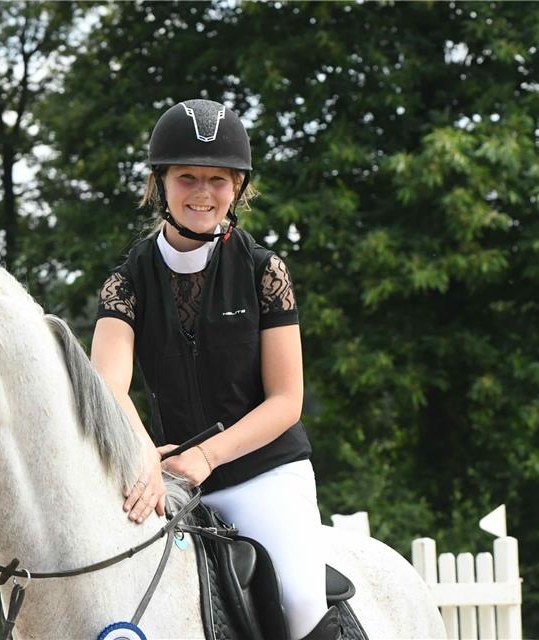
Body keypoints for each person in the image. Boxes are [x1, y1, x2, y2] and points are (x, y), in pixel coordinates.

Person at [90, 99, 339, 640]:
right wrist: (147, 459)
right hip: (168, 484)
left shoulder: (264, 272)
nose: (203, 193)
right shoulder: (126, 282)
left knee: (298, 599)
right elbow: (108, 384)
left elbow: (285, 401)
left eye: (218, 180)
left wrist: (206, 455)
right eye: (187, 178)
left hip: (264, 473)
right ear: (160, 183)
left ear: (238, 188)